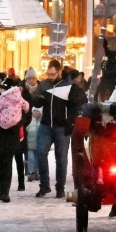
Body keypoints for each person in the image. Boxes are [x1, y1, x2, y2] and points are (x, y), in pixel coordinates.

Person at [31, 59, 78, 199]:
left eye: (52, 74)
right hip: (46, 124)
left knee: (61, 158)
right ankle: (44, 185)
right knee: (40, 153)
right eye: (48, 74)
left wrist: (71, 123)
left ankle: (60, 188)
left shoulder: (68, 85)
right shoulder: (44, 84)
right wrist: (36, 103)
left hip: (62, 127)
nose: (50, 77)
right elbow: (36, 100)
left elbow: (75, 106)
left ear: (59, 71)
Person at [0, 82, 28, 203]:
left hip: (0, 133)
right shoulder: (19, 97)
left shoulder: (2, 98)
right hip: (13, 134)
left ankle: (3, 190)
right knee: (7, 163)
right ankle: (5, 192)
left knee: (1, 162)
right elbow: (27, 106)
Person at [23, 69, 40, 182]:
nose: (31, 80)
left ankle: (35, 171)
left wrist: (40, 111)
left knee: (38, 152)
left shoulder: (40, 89)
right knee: (29, 152)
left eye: (33, 78)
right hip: (27, 122)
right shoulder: (23, 90)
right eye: (29, 78)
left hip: (38, 122)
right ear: (26, 79)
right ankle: (30, 171)